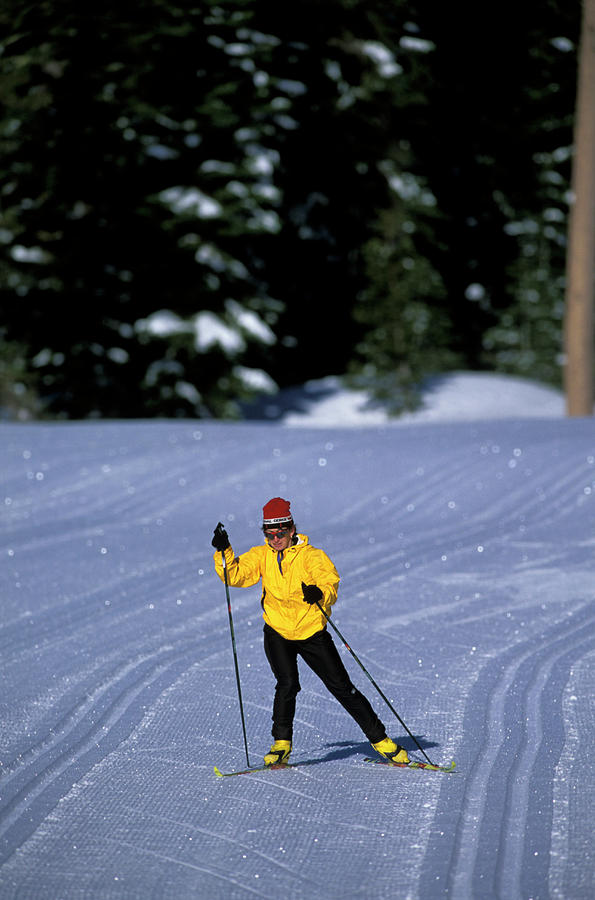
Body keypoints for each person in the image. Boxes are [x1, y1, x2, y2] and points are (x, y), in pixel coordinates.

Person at [212, 497, 409, 766]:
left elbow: (330, 582)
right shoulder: (262, 556)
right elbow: (234, 576)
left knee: (341, 687)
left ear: (291, 529)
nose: (275, 540)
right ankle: (281, 744)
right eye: (269, 535)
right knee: (287, 684)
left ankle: (381, 741)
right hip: (277, 631)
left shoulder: (312, 556)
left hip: (311, 632)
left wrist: (320, 593)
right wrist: (224, 551)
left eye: (280, 534)